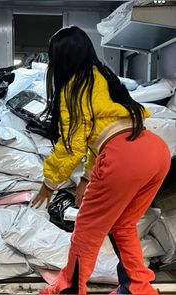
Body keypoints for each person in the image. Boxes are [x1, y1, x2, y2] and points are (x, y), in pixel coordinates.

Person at [31, 26, 170, 295]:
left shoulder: (72, 86)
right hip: (153, 150)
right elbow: (101, 134)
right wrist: (85, 179)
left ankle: (69, 289)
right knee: (123, 224)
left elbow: (73, 144)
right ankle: (138, 288)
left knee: (86, 230)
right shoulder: (103, 77)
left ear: (60, 58)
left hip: (123, 156)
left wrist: (49, 183)